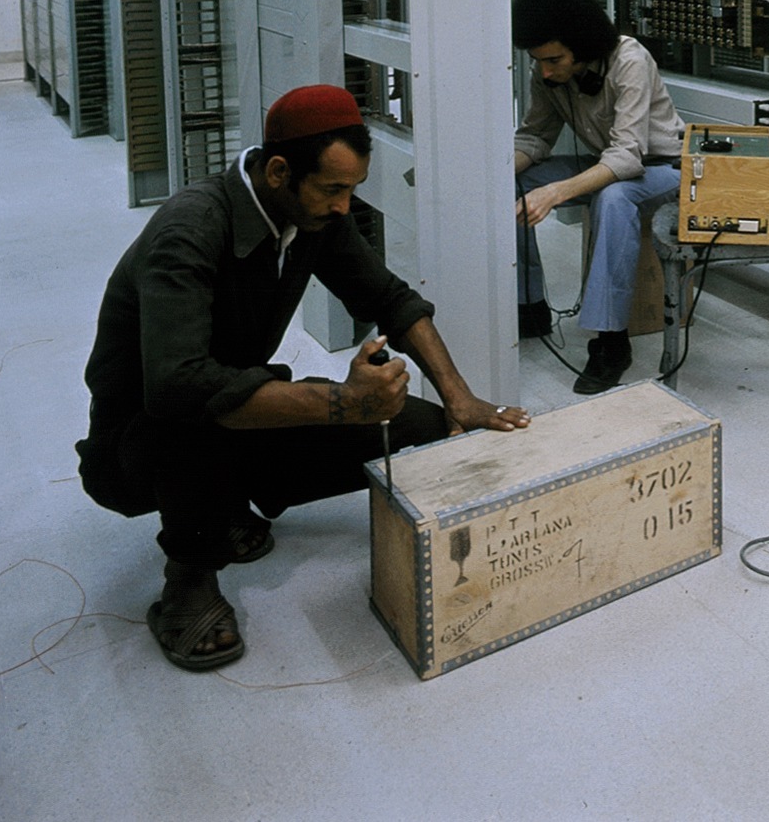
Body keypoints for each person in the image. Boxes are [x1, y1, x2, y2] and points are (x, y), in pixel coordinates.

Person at [75, 84, 527, 672]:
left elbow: (390, 300)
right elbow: (176, 384)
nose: (344, 206)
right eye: (334, 189)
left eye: (352, 190)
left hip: (236, 410)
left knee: (418, 426)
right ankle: (188, 578)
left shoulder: (314, 218)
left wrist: (459, 398)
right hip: (141, 443)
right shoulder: (190, 230)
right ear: (279, 172)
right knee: (192, 409)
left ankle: (228, 501)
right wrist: (346, 403)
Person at [512, 0, 684, 396]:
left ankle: (612, 343)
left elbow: (627, 157)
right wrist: (494, 174)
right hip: (609, 162)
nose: (545, 70)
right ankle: (530, 307)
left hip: (665, 168)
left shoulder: (630, 60)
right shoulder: (547, 73)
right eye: (538, 60)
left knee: (614, 195)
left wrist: (556, 192)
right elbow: (535, 137)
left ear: (583, 45)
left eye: (554, 59)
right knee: (515, 182)